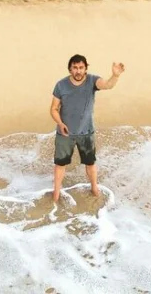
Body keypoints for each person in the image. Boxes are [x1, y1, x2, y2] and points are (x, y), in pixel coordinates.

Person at [49, 54, 125, 202]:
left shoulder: (92, 81)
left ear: (85, 68)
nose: (78, 71)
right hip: (65, 133)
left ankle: (94, 189)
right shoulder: (61, 85)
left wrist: (115, 76)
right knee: (60, 165)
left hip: (86, 132)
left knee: (90, 163)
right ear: (70, 69)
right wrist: (60, 123)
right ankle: (56, 195)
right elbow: (53, 109)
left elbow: (107, 85)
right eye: (75, 68)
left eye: (81, 68)